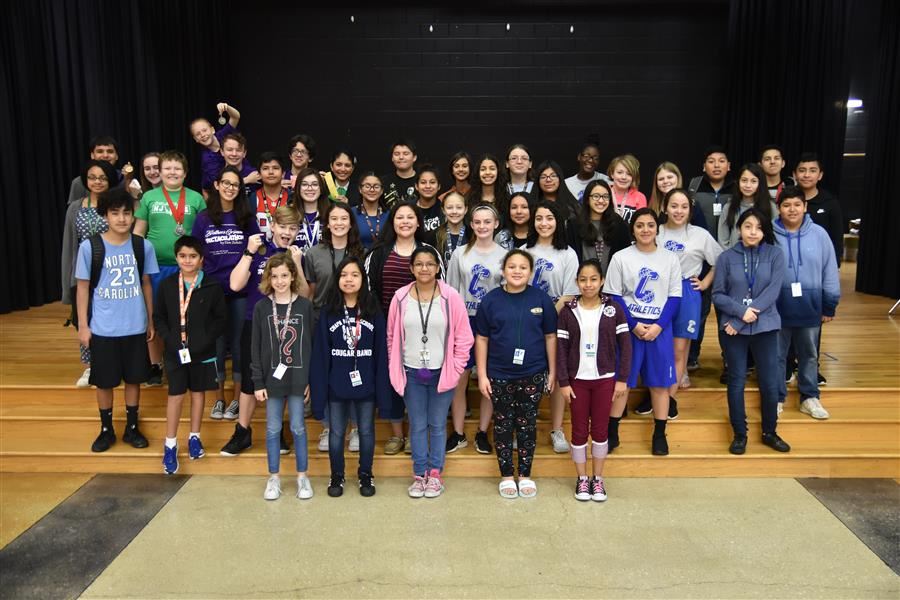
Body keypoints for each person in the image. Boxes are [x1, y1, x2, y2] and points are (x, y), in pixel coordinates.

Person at [75, 188, 159, 452]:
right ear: (105, 215)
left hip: (134, 325)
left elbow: (146, 283)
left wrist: (150, 320)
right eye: (115, 213)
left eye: (126, 213)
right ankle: (106, 429)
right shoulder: (91, 246)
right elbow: (83, 288)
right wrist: (83, 326)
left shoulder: (142, 245)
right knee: (105, 381)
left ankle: (132, 427)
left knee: (134, 378)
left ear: (134, 215)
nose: (122, 219)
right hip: (103, 328)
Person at [221, 206, 309, 456]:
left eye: (293, 228)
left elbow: (304, 296)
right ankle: (242, 432)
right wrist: (248, 252)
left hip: (286, 326)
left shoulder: (295, 254)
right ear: (272, 226)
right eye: (283, 227)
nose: (287, 232)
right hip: (255, 324)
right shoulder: (258, 249)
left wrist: (298, 264)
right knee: (250, 381)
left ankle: (278, 431)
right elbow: (235, 284)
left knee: (280, 379)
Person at [387, 246, 473, 498]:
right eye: (419, 264)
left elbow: (464, 337)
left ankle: (435, 474)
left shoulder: (450, 296)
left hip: (440, 372)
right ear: (411, 268)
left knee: (436, 425)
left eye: (430, 264)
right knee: (417, 425)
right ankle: (419, 474)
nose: (424, 268)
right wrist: (397, 367)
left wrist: (456, 369)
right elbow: (392, 336)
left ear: (438, 268)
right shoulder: (400, 297)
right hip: (411, 372)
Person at [475, 249, 557, 498]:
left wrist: (552, 372)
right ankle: (507, 476)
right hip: (499, 373)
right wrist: (481, 374)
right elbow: (481, 339)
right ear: (503, 271)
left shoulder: (541, 299)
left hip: (533, 372)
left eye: (523, 267)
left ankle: (525, 475)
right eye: (512, 267)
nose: (517, 271)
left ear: (531, 272)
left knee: (527, 424)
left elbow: (550, 336)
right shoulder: (490, 300)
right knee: (502, 424)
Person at [364, 203, 442, 454]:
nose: (405, 221)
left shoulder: (430, 252)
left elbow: (444, 289)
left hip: (426, 329)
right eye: (400, 217)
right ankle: (398, 435)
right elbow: (369, 291)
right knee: (393, 381)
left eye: (411, 217)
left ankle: (416, 434)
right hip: (389, 328)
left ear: (419, 222)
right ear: (392, 222)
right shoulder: (378, 252)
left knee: (422, 381)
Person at [604, 208, 681, 456]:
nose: (645, 230)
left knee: (660, 384)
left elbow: (674, 297)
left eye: (650, 225)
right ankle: (611, 431)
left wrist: (658, 326)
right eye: (639, 225)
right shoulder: (621, 257)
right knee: (622, 381)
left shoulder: (669, 258)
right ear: (633, 229)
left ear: (657, 228)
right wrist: (634, 324)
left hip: (660, 327)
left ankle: (659, 433)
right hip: (629, 327)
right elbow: (614, 295)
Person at [712, 208, 790, 454]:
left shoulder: (775, 255)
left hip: (764, 327)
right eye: (747, 226)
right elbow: (717, 295)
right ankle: (739, 434)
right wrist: (738, 314)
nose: (752, 232)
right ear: (739, 230)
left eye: (758, 227)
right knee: (736, 381)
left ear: (764, 230)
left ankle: (770, 432)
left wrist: (741, 320)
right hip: (732, 330)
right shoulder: (726, 258)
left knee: (769, 382)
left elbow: (772, 293)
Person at [310, 256, 390, 497]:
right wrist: (319, 387)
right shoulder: (329, 310)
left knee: (366, 431)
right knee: (336, 433)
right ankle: (337, 475)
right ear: (337, 280)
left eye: (355, 275)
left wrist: (381, 386)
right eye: (344, 275)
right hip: (336, 384)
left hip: (365, 382)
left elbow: (380, 352)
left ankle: (366, 474)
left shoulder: (373, 309)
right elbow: (321, 353)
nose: (349, 279)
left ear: (363, 279)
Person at [556, 260, 631, 501]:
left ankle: (597, 479)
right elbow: (560, 349)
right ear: (577, 282)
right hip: (577, 381)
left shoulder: (613, 308)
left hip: (605, 380)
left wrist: (622, 379)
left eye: (593, 279)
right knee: (579, 431)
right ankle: (582, 479)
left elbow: (626, 347)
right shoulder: (569, 311)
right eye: (583, 280)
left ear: (601, 281)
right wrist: (564, 382)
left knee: (600, 430)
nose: (588, 284)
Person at [153, 236, 226, 474]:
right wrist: (170, 339)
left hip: (203, 351)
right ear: (176, 258)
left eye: (193, 256)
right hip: (176, 351)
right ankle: (170, 444)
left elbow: (220, 320)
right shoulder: (167, 286)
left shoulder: (212, 286)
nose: (188, 260)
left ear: (201, 259)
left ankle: (195, 437)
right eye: (183, 256)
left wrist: (206, 339)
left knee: (198, 394)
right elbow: (159, 317)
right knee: (175, 395)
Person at [191, 166, 258, 420]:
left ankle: (237, 401)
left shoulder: (246, 218)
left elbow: (255, 252)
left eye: (235, 184)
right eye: (226, 183)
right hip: (212, 291)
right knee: (216, 346)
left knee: (241, 346)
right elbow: (195, 254)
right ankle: (219, 399)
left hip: (241, 291)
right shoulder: (203, 218)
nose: (230, 188)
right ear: (217, 185)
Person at [134, 150, 206, 385]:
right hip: (155, 268)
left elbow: (203, 233)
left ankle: (186, 360)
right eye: (167, 168)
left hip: (187, 268)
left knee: (187, 316)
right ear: (160, 171)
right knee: (155, 316)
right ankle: (155, 364)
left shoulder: (195, 198)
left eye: (177, 168)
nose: (172, 172)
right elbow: (138, 233)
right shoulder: (150, 198)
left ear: (185, 173)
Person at [773, 186, 840, 420]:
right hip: (777, 308)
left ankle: (809, 397)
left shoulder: (819, 234)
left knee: (809, 354)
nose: (792, 209)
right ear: (779, 208)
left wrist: (830, 303)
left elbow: (829, 269)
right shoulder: (769, 235)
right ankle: (777, 398)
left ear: (805, 207)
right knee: (777, 355)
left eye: (796, 205)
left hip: (811, 306)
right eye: (786, 205)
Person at [252, 253, 314, 500]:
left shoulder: (304, 306)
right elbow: (255, 347)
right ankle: (274, 478)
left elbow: (310, 345)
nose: (279, 281)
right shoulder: (261, 307)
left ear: (292, 277)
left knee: (299, 427)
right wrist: (258, 381)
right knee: (272, 429)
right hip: (271, 380)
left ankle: (302, 477)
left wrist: (310, 380)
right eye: (274, 276)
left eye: (284, 276)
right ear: (268, 278)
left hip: (298, 378)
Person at [305, 202, 367, 451]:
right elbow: (309, 293)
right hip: (322, 320)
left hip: (354, 319)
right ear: (327, 224)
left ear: (351, 223)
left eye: (344, 218)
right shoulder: (313, 253)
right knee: (326, 374)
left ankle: (355, 428)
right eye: (334, 219)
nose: (339, 223)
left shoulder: (361, 252)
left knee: (352, 371)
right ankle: (328, 427)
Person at [446, 204, 506, 455]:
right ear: (471, 225)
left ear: (496, 224)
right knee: (459, 380)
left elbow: (507, 292)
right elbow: (450, 290)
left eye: (487, 221)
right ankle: (458, 433)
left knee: (488, 379)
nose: (482, 226)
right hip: (464, 322)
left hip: (492, 323)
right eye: (477, 222)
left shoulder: (504, 254)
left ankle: (482, 431)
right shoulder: (460, 253)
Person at [654, 189, 722, 403]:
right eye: (674, 205)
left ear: (690, 210)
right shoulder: (656, 232)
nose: (679, 211)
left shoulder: (700, 235)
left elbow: (720, 260)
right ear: (665, 207)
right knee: (657, 346)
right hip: (658, 292)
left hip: (686, 292)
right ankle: (655, 394)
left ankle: (669, 399)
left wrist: (705, 282)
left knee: (679, 349)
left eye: (684, 206)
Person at [526, 201, 579, 453]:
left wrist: (545, 317)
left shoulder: (567, 253)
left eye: (549, 218)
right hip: (525, 322)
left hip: (557, 320)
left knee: (557, 376)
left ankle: (556, 429)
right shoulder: (523, 249)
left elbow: (569, 294)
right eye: (539, 218)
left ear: (557, 222)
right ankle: (525, 426)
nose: (544, 223)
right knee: (527, 374)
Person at [62, 160, 116, 387]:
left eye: (102, 177)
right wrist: (68, 283)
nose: (97, 182)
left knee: (111, 320)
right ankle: (91, 367)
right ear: (86, 180)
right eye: (93, 177)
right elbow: (69, 246)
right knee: (85, 319)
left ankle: (113, 364)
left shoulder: (118, 204)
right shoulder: (76, 207)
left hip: (113, 272)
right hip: (84, 273)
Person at [792, 153, 844, 386]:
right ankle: (788, 367)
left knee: (812, 329)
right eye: (802, 170)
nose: (806, 174)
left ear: (820, 175)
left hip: (815, 278)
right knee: (786, 326)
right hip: (789, 279)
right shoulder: (788, 201)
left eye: (812, 170)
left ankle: (811, 370)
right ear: (794, 174)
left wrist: (831, 281)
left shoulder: (829, 203)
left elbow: (836, 244)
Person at [686, 146, 735, 373]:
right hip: (702, 262)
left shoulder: (737, 190)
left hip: (730, 262)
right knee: (700, 312)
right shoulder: (694, 188)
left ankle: (730, 358)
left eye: (721, 160)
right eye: (711, 161)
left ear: (728, 166)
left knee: (728, 312)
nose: (716, 165)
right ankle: (691, 357)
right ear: (703, 166)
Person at [572, 180, 631, 273]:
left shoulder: (618, 223)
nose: (601, 200)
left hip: (611, 283)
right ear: (587, 199)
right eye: (596, 196)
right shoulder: (574, 224)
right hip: (582, 283)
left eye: (605, 197)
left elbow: (626, 254)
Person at [719, 163, 777, 250]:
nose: (748, 185)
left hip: (763, 260)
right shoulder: (729, 207)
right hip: (735, 260)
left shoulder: (770, 207)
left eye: (753, 181)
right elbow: (722, 240)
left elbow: (775, 238)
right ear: (738, 182)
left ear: (760, 183)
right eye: (744, 180)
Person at [189, 102, 241, 194]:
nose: (203, 135)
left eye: (204, 130)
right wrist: (247, 180)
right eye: (198, 134)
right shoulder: (207, 159)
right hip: (223, 190)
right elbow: (221, 184)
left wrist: (226, 107)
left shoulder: (223, 135)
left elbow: (235, 117)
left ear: (212, 130)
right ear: (196, 139)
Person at [648, 162, 709, 230]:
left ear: (678, 178)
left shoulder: (692, 205)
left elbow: (702, 233)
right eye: (661, 179)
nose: (665, 181)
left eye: (669, 177)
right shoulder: (652, 207)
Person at [66, 136, 126, 205]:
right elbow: (74, 210)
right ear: (92, 155)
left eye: (110, 151)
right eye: (100, 151)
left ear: (116, 156)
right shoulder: (79, 182)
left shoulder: (126, 180)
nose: (105, 155)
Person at [251, 152, 292, 240]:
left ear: (283, 173)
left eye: (275, 168)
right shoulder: (251, 200)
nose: (271, 172)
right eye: (265, 168)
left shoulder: (293, 198)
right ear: (259, 174)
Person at [530, 160, 580, 231]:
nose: (548, 180)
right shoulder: (530, 205)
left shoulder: (574, 207)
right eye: (543, 177)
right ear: (537, 181)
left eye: (553, 176)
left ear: (560, 179)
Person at [292, 168, 330, 252]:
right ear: (298, 188)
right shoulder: (290, 215)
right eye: (304, 184)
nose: (310, 188)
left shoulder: (330, 215)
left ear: (321, 189)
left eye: (315, 184)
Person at [607, 154, 647, 224]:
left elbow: (641, 224)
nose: (624, 177)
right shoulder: (603, 193)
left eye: (629, 174)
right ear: (612, 174)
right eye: (620, 172)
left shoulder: (640, 197)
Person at [433, 191, 470, 266]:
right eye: (449, 208)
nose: (454, 211)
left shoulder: (472, 235)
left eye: (459, 207)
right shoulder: (434, 235)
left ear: (465, 210)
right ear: (443, 210)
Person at [353, 172, 388, 249]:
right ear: (360, 189)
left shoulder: (390, 215)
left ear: (382, 190)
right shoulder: (351, 213)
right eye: (367, 186)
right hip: (358, 258)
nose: (372, 190)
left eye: (376, 186)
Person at [382, 139, 418, 210]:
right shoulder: (383, 182)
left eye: (406, 154)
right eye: (397, 154)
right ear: (392, 158)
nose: (401, 157)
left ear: (414, 157)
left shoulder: (423, 181)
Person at [414, 164, 444, 245]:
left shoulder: (444, 210)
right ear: (416, 186)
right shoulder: (409, 209)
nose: (428, 186)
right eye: (423, 182)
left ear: (439, 186)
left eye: (432, 182)